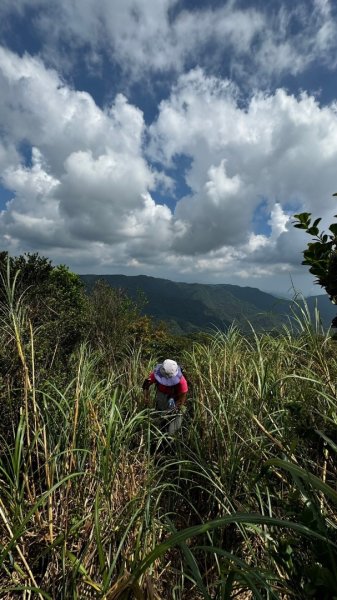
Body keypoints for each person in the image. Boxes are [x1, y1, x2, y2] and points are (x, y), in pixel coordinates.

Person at [142, 359, 188, 434]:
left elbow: (181, 400)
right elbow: (146, 384)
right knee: (158, 425)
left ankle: (170, 439)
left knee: (172, 432)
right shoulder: (156, 374)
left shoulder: (182, 382)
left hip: (175, 401)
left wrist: (171, 411)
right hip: (161, 396)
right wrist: (146, 397)